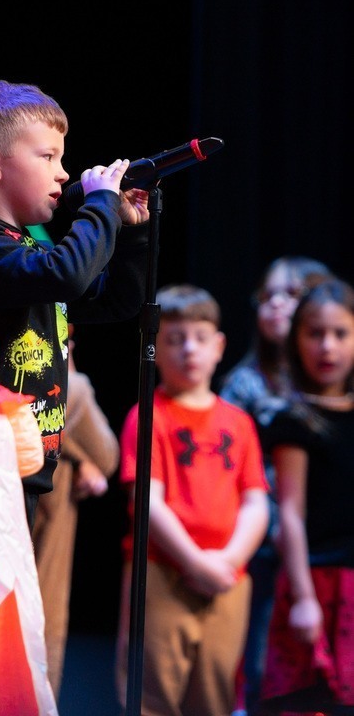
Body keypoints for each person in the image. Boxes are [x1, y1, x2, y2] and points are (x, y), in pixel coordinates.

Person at [0, 78, 150, 532]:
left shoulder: (28, 249)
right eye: (47, 156)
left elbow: (116, 301)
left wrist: (128, 232)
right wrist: (101, 207)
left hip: (28, 466)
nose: (64, 173)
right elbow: (66, 274)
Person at [115, 284, 269, 716]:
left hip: (227, 577)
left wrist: (229, 561)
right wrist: (194, 562)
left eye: (200, 338)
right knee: (152, 691)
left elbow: (257, 502)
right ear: (154, 349)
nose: (189, 350)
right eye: (174, 339)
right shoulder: (149, 414)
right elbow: (148, 500)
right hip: (163, 571)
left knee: (215, 692)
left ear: (219, 346)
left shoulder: (238, 423)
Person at [219, 255, 332, 716]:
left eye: (290, 294)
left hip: (325, 543)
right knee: (261, 657)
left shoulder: (334, 384)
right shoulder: (244, 383)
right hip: (265, 543)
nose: (277, 306)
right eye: (268, 296)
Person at [258, 278, 354, 715]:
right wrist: (304, 599)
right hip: (317, 579)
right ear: (297, 341)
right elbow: (291, 514)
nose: (327, 346)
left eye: (340, 333)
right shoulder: (294, 419)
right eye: (315, 334)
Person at [31, 323, 120, 699]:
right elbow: (108, 456)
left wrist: (76, 457)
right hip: (37, 537)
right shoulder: (74, 390)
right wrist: (85, 458)